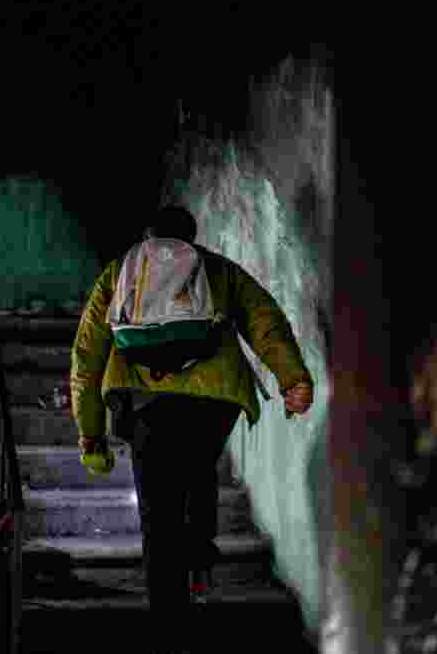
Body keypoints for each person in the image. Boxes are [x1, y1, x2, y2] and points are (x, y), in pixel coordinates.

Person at [69, 205, 313, 652]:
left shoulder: (119, 274)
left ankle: (169, 627)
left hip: (147, 401)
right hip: (212, 400)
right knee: (198, 470)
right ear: (191, 237)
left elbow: (87, 357)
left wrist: (91, 435)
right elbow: (264, 319)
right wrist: (292, 377)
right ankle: (199, 564)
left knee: (158, 515)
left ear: (148, 237)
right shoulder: (216, 269)